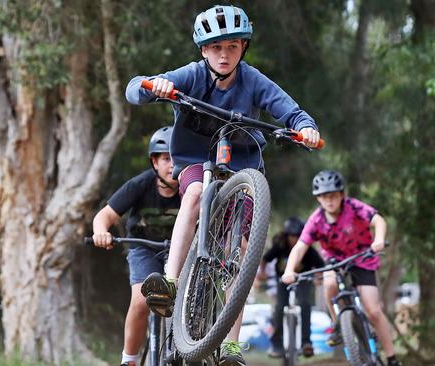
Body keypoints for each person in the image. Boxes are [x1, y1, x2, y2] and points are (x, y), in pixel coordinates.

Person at [125, 5, 321, 365]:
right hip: (195, 161)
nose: (224, 54)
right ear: (203, 50)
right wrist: (155, 86)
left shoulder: (253, 81)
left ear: (243, 48)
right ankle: (169, 284)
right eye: (216, 48)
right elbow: (136, 88)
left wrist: (306, 128)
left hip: (243, 167)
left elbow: (291, 111)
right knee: (196, 193)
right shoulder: (193, 75)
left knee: (242, 254)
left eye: (232, 46)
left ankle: (230, 346)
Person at [281, 170, 402, 366]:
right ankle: (338, 323)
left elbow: (378, 220)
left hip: (362, 258)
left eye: (333, 196)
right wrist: (289, 270)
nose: (329, 201)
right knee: (329, 282)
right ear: (318, 198)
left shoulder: (353, 207)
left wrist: (378, 240)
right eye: (323, 197)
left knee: (373, 310)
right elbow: (300, 247)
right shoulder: (316, 220)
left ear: (341, 195)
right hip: (335, 261)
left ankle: (391, 357)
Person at [91, 126, 180, 366]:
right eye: (166, 158)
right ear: (154, 162)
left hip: (179, 251)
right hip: (144, 248)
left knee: (187, 301)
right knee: (141, 300)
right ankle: (129, 359)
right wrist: (101, 233)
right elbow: (104, 216)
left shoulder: (192, 188)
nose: (172, 164)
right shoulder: (140, 184)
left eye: (177, 157)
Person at [256, 217, 324, 358]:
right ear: (286, 235)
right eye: (291, 236)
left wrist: (318, 277)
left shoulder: (308, 249)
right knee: (279, 307)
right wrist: (261, 273)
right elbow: (265, 259)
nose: (294, 239)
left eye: (297, 236)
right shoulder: (280, 247)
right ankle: (276, 344)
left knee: (305, 304)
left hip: (303, 280)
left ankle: (306, 343)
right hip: (283, 280)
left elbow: (320, 266)